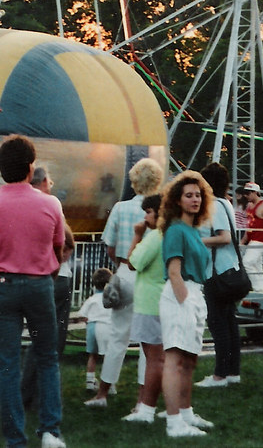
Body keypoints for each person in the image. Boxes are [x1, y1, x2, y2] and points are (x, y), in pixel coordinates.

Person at [0, 135, 67, 448]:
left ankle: (15, 439)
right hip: (41, 285)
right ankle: (50, 431)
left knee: (8, 365)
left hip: (5, 286)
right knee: (47, 358)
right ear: (31, 168)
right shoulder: (50, 203)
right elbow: (58, 246)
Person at [88, 157, 165, 406]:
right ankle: (144, 398)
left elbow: (110, 246)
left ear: (133, 181)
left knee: (118, 336)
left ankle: (103, 393)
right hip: (151, 277)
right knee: (150, 342)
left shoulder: (120, 208)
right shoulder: (163, 210)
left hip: (124, 271)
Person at [158, 170, 214, 438]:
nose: (195, 200)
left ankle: (186, 412)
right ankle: (173, 422)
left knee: (190, 360)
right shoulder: (175, 230)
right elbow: (174, 271)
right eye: (189, 195)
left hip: (195, 294)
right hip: (180, 294)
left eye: (198, 195)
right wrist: (185, 303)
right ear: (177, 201)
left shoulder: (193, 230)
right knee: (175, 359)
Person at [21, 167, 74, 409]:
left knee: (37, 339)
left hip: (31, 278)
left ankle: (26, 393)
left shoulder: (19, 204)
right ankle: (43, 397)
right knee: (53, 342)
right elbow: (67, 241)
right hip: (56, 277)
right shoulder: (51, 202)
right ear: (43, 181)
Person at [196, 162, 243, 388]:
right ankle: (232, 371)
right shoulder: (226, 203)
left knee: (218, 323)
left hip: (217, 271)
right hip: (227, 268)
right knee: (229, 321)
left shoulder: (214, 205)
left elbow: (223, 237)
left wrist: (197, 240)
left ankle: (220, 374)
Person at [122, 194, 167, 423]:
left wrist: (137, 235)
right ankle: (165, 405)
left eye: (148, 212)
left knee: (153, 359)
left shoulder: (154, 237)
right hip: (162, 300)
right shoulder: (171, 234)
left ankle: (146, 408)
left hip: (150, 303)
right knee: (160, 358)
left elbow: (132, 261)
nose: (145, 216)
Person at [78, 267, 114, 391]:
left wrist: (88, 321)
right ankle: (110, 385)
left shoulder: (91, 299)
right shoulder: (110, 299)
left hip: (92, 326)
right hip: (106, 327)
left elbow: (82, 315)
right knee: (107, 357)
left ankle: (89, 381)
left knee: (92, 355)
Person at [240, 182, 263, 291]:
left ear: (255, 192)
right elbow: (249, 226)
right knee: (257, 267)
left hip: (261, 241)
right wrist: (243, 241)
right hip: (253, 240)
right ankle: (261, 290)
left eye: (248, 193)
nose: (246, 196)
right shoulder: (249, 206)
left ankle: (257, 289)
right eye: (245, 193)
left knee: (247, 263)